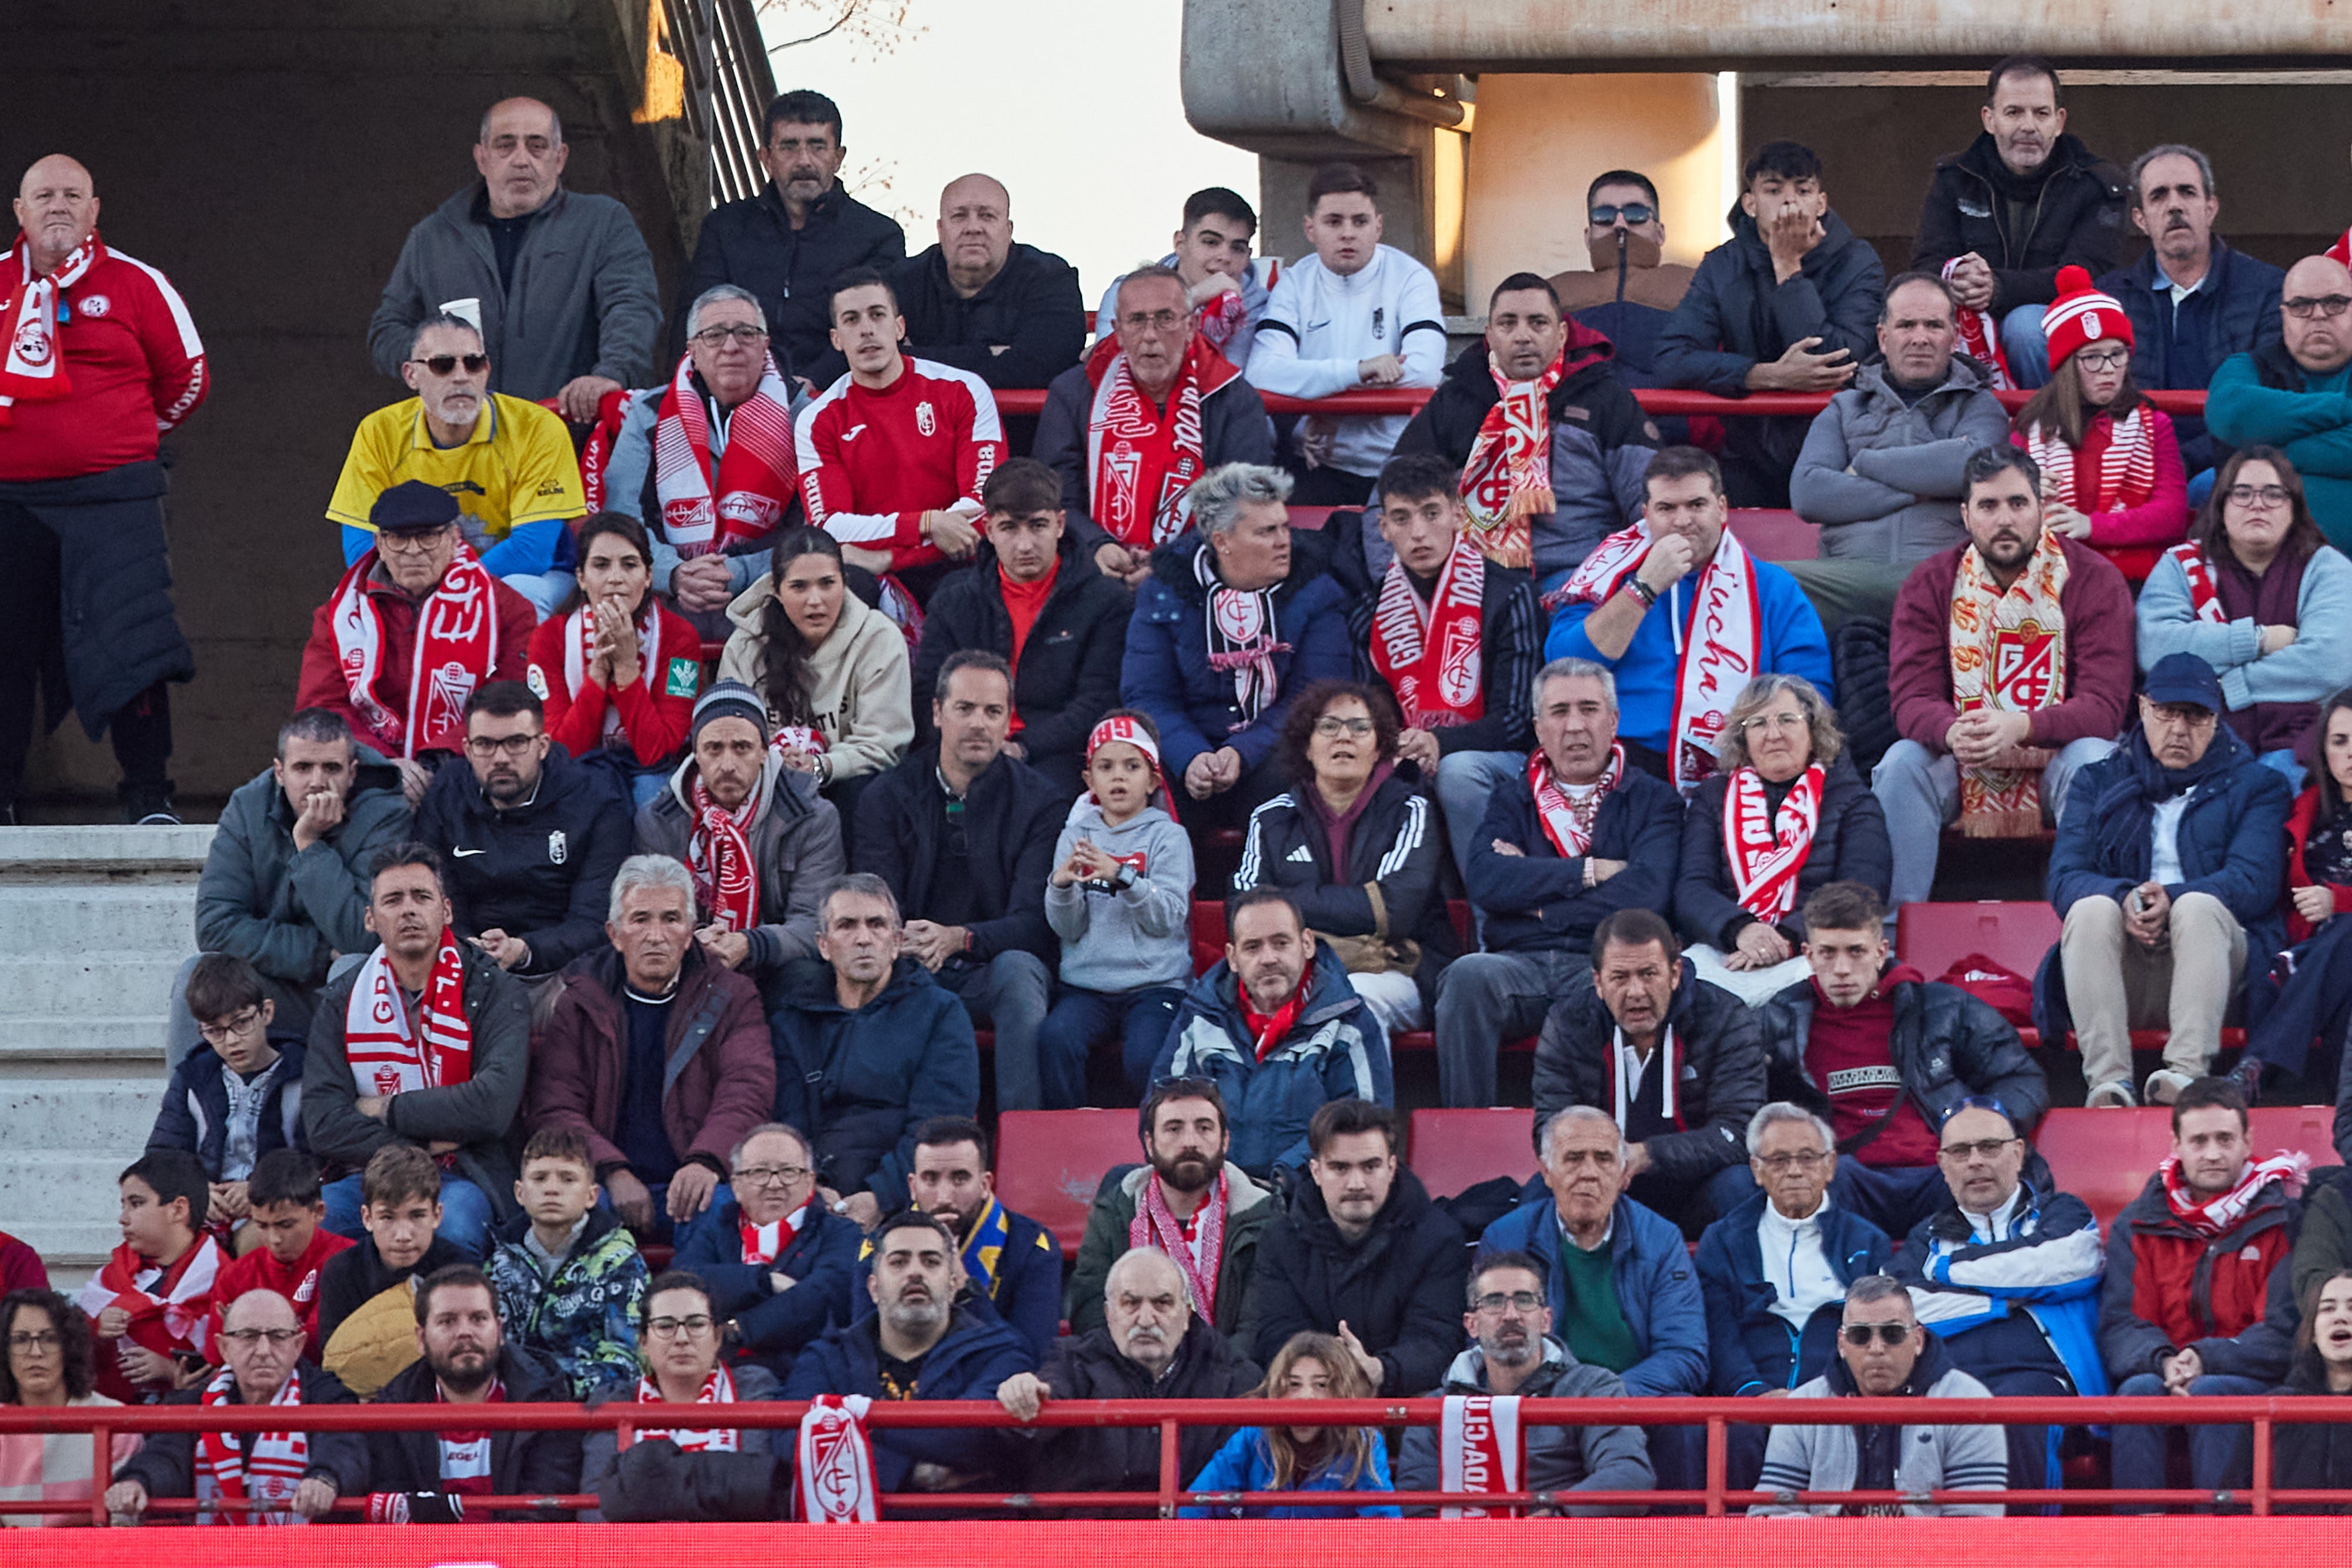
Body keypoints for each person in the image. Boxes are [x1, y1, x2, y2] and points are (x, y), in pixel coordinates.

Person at [0, 153, 204, 825]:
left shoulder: (137, 283)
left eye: (73, 195)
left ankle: (150, 797)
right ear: (20, 212)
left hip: (114, 500)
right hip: (11, 501)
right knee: (7, 650)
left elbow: (188, 378)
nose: (58, 205)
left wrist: (125, 438)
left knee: (135, 647)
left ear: (94, 211)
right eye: (43, 195)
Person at [1875, 444, 2134, 911]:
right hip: (1962, 757)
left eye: (2018, 503)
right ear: (1966, 514)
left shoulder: (2095, 579)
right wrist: (1952, 730)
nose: (2005, 519)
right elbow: (1910, 697)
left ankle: (2094, 917)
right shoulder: (1930, 582)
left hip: (2057, 760)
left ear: (2042, 507)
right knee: (1901, 764)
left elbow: (2104, 704)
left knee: (2096, 758)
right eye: (1988, 506)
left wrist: (2022, 727)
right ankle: (1892, 936)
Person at [2041, 652, 2294, 1106]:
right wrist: (2124, 897)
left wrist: (2170, 898)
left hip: (2217, 970)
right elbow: (2064, 878)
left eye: (2196, 715)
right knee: (2091, 907)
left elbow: (2254, 881)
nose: (2179, 728)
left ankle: (2185, 1074)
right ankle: (2109, 1083)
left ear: (2217, 720)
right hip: (2123, 970)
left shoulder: (2258, 785)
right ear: (2142, 709)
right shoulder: (2096, 782)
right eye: (2166, 712)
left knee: (2198, 906)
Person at [1436, 657, 1683, 1108]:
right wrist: (1589, 872)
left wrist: (1539, 905)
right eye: (1559, 711)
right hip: (1519, 963)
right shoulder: (1514, 796)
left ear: (1613, 721)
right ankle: (1467, 1134)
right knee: (1467, 977)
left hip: (1607, 964)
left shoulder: (1654, 798)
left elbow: (1645, 897)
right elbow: (1487, 881)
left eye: (1589, 709)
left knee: (1634, 984)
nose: (1574, 726)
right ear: (1538, 728)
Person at [1758, 881, 2049, 1238]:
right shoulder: (1780, 1021)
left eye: (1856, 952)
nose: (1842, 968)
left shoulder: (1944, 1008)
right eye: (1828, 953)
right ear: (1809, 955)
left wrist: (1976, 1131)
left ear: (1881, 952)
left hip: (1937, 1172)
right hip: (1842, 1178)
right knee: (1815, 1177)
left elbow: (2020, 1079)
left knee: (1978, 1174)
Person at [1545, 447, 1835, 785]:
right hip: (1622, 767)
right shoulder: (1608, 576)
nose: (1683, 521)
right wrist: (1643, 589)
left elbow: (1810, 697)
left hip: (1739, 771)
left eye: (1697, 505)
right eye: (1667, 508)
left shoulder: (1773, 588)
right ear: (1646, 515)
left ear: (1723, 509)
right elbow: (1562, 667)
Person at [854, 651, 1061, 1112]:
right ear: (936, 713)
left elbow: (1035, 923)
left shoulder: (1041, 803)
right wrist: (911, 942)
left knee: (1020, 973)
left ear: (1010, 719)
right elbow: (875, 904)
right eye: (964, 709)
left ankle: (1019, 1142)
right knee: (871, 964)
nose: (979, 724)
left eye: (993, 712)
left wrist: (960, 939)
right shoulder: (887, 796)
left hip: (988, 966)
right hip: (909, 960)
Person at [529, 855, 776, 1239]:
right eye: (641, 919)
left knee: (726, 1209)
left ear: (691, 931)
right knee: (569, 1208)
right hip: (605, 1185)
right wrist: (611, 1170)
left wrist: (705, 1160)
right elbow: (556, 1103)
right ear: (615, 933)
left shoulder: (732, 994)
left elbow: (747, 1088)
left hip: (700, 1180)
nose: (656, 935)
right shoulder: (579, 997)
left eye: (671, 919)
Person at [302, 843, 529, 1258]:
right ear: (371, 919)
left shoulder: (495, 990)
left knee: (455, 1226)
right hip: (371, 1176)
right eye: (393, 899)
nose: (408, 910)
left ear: (446, 911)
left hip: (465, 1173)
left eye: (421, 897)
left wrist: (384, 1107)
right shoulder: (343, 999)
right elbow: (324, 1120)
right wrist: (419, 1149)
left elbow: (491, 1105)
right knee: (322, 1222)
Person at [367, 97, 659, 413]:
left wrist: (610, 375)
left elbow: (632, 307)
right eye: (506, 146)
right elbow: (387, 331)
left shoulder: (603, 222)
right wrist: (434, 356)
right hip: (462, 443)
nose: (522, 160)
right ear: (482, 158)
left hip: (567, 435)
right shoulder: (432, 237)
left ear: (560, 158)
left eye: (537, 146)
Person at [2100, 1076, 2307, 1506]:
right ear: (2176, 1144)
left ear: (2248, 1141)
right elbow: (2121, 1324)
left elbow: (2285, 1331)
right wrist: (2165, 1361)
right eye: (2199, 1140)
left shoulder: (2285, 1219)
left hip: (2251, 1381)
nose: (2212, 1153)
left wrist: (2206, 1358)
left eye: (2225, 1138)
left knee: (2213, 1392)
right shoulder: (2137, 1223)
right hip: (2164, 1370)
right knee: (2136, 1393)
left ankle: (2219, 1544)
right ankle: (2135, 1541)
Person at [1479, 1108, 1706, 1489]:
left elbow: (1685, 1354)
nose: (1589, 1172)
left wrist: (1601, 1398)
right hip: (1541, 1403)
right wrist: (1560, 1401)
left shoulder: (1662, 1238)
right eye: (1573, 1158)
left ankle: (1676, 1549)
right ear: (1546, 1172)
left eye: (1603, 1159)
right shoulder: (1506, 1236)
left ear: (1623, 1173)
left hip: (1631, 1400)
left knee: (1685, 1424)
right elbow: (1489, 1341)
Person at [1120, 462, 1353, 830]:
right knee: (1136, 777)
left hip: (1275, 753)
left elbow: (1317, 697)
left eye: (1285, 527)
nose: (1284, 541)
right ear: (1222, 541)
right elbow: (1148, 696)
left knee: (1298, 774)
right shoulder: (1165, 591)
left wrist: (1243, 752)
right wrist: (1191, 756)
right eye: (1266, 531)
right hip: (1189, 752)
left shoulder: (1317, 591)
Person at [1892, 1099, 2107, 1494]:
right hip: (1948, 1380)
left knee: (2015, 1415)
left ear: (2018, 1152)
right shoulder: (1926, 1234)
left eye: (1989, 1146)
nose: (1975, 1161)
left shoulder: (2062, 1212)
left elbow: (2064, 1263)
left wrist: (1945, 1270)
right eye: (1960, 1151)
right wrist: (1999, 1303)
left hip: (2045, 1383)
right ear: (1942, 1163)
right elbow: (1903, 1309)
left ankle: (2025, 1552)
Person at [1351, 453, 1547, 883]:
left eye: (1431, 513)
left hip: (1502, 759)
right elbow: (1370, 708)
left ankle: (1491, 924)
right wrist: (1403, 746)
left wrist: (1438, 743)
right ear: (1384, 529)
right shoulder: (1372, 609)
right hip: (1411, 753)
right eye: (1401, 518)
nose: (1418, 532)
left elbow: (1517, 721)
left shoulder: (1510, 593)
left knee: (1457, 773)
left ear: (1459, 515)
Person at [1387, 273, 1655, 587]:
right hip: (1470, 578)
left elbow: (1651, 502)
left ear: (1562, 333)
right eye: (1508, 323)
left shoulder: (1605, 398)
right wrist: (1396, 584)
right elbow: (1394, 491)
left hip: (1580, 575)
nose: (1522, 336)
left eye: (1538, 323)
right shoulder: (1456, 400)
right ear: (1489, 334)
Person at [1656, 142, 1883, 506]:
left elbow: (1835, 362)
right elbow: (1671, 360)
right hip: (1746, 455)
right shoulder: (1721, 265)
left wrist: (1788, 268)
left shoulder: (1859, 262)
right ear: (1750, 204)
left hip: (1839, 453)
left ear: (1821, 203)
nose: (1790, 203)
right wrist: (1766, 376)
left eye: (1803, 190)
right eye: (1774, 190)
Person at [1232, 681, 1456, 1048]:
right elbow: (1242, 910)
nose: (1344, 738)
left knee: (1351, 999)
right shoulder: (1270, 818)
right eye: (1329, 726)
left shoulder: (1410, 810)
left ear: (1380, 746)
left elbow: (1394, 910)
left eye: (1359, 727)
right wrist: (1348, 924)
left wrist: (1287, 903)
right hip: (1294, 971)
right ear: (1307, 744)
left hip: (1396, 973)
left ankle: (1360, 1109)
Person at [296, 480, 540, 808]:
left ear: (455, 539)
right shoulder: (338, 616)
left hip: (469, 767)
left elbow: (513, 697)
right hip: (367, 773)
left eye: (428, 537)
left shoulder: (507, 609)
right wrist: (384, 764)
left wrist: (435, 759)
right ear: (379, 543)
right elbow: (322, 706)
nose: (413, 551)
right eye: (398, 538)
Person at [326, 315, 589, 615]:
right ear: (412, 375)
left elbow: (532, 551)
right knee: (352, 601)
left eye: (473, 363)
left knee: (522, 593)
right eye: (443, 365)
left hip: (533, 577)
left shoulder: (538, 428)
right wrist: (423, 589)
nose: (461, 376)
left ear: (486, 371)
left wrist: (446, 591)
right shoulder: (378, 431)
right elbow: (362, 549)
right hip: (417, 583)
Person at [185, 709, 410, 1058]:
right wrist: (316, 952)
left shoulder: (384, 814)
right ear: (280, 772)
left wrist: (309, 846)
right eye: (303, 768)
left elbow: (363, 936)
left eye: (331, 769)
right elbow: (216, 924)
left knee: (351, 965)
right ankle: (188, 1109)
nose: (317, 782)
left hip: (347, 990)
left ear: (352, 773)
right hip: (270, 982)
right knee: (195, 975)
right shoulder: (247, 808)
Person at [1695, 1104, 1892, 1492]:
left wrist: (1831, 1393)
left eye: (1807, 1157)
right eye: (1779, 1159)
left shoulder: (1867, 1240)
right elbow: (1719, 1333)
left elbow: (1874, 1334)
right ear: (1756, 1169)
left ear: (1830, 1165)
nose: (1795, 1171)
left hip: (1840, 1395)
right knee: (1733, 1438)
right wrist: (1755, 1394)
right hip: (1752, 1398)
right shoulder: (1722, 1239)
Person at [1534, 908, 1769, 1232]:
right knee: (1539, 1195)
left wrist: (1646, 1155)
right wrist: (1601, 1161)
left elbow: (1740, 1132)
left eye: (1649, 974)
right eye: (1620, 977)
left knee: (1742, 1187)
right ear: (1598, 982)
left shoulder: (1726, 1018)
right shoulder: (1568, 1024)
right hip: (1604, 1184)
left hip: (1697, 1186)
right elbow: (1549, 1128)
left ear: (1674, 974)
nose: (1636, 992)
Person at [909, 459, 1135, 794]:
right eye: (1010, 528)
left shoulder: (1105, 601)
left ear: (1060, 524)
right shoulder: (954, 599)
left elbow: (1097, 702)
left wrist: (1023, 747)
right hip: (962, 746)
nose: (1025, 544)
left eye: (1038, 526)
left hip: (1055, 754)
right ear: (988, 530)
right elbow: (929, 692)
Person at [1038, 266, 1275, 585]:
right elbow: (1054, 496)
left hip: (1202, 574)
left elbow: (1244, 504)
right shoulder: (1073, 392)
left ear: (1191, 326)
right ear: (1117, 331)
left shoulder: (1233, 397)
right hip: (1091, 571)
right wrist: (1097, 545)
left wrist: (1174, 561)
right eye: (1137, 321)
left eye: (1165, 319)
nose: (1150, 335)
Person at [768, 874, 979, 1223]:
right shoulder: (792, 1021)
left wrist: (881, 1197)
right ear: (823, 945)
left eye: (876, 925)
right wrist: (809, 1191)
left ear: (896, 942)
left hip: (905, 1204)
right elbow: (788, 1124)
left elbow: (938, 1125)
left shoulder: (941, 1013)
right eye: (847, 926)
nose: (863, 938)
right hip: (808, 1203)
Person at [586, 289, 798, 635]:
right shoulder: (649, 413)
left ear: (765, 346)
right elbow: (622, 516)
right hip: (667, 590)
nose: (731, 347)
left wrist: (738, 572)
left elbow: (812, 526)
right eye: (714, 336)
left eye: (746, 333)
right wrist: (673, 573)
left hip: (772, 590)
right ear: (692, 352)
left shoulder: (803, 413)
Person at [791, 270, 1008, 605]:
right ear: (837, 339)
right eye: (852, 320)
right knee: (844, 590)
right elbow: (831, 526)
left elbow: (981, 508)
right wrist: (926, 522)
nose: (867, 329)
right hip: (868, 570)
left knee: (962, 597)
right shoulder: (817, 419)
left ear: (899, 327)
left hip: (952, 561)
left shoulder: (964, 390)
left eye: (877, 315)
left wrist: (893, 558)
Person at [1910, 56, 2129, 390]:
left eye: (2041, 113)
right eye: (2014, 112)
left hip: (2063, 339)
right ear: (1990, 119)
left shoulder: (2097, 184)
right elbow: (1927, 264)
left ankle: (2050, 434)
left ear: (2059, 122)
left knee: (2024, 326)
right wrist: (1958, 278)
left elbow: (2090, 272)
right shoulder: (1954, 179)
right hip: (1967, 328)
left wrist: (1998, 288)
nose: (2029, 126)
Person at [2137, 447, 2352, 785]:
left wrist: (2229, 685)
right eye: (2242, 493)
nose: (2257, 504)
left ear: (2294, 508)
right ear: (2221, 506)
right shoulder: (2181, 564)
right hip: (2197, 740)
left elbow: (2330, 664)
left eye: (2273, 494)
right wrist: (2258, 641)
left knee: (2280, 785)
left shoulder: (2328, 567)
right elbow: (2157, 649)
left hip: (2300, 746)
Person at [1674, 674, 1890, 1004]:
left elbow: (1861, 890)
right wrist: (1740, 929)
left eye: (1787, 720)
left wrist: (1786, 939)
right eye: (1758, 723)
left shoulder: (1852, 800)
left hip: (1815, 949)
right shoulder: (1711, 797)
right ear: (1743, 738)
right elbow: (1691, 888)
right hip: (1729, 948)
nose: (1773, 735)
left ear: (1813, 730)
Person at [781, 1210, 1031, 1495]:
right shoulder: (826, 1357)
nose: (915, 1272)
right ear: (874, 1288)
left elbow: (977, 1438)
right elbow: (791, 1441)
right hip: (854, 1535)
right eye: (899, 1262)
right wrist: (905, 1473)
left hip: (965, 1531)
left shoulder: (1001, 1353)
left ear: (953, 1287)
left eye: (931, 1261)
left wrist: (855, 1429)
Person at [415, 681, 633, 1008]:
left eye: (516, 742)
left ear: (543, 745)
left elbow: (595, 922)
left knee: (587, 996)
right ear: (468, 748)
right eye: (486, 744)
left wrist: (525, 950)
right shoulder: (446, 794)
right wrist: (462, 944)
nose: (500, 758)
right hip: (459, 961)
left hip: (558, 971)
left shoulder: (596, 803)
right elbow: (432, 888)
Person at [996, 1247, 1259, 1510]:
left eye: (1162, 1303)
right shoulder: (1072, 1363)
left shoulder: (1233, 1377)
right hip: (1088, 1542)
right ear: (1109, 1315)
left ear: (1187, 1316)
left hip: (1196, 1541)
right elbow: (1043, 1401)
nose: (1145, 1320)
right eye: (1131, 1303)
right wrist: (1024, 1393)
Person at [1395, 1249, 1656, 1516]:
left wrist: (1556, 1517)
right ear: (1471, 1324)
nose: (1511, 1315)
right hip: (1461, 1552)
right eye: (1494, 1302)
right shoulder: (1437, 1407)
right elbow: (1416, 1503)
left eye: (1524, 1300)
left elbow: (1630, 1475)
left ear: (1546, 1320)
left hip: (1561, 1549)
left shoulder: (1592, 1387)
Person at [1245, 162, 1447, 505]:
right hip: (1316, 464)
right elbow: (1262, 372)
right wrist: (1359, 369)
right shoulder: (1295, 282)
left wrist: (1319, 395)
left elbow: (1425, 369)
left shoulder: (1411, 277)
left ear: (1379, 226)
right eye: (1334, 222)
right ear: (1310, 229)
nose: (1348, 233)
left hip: (1398, 467)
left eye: (1360, 221)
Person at [1153, 890, 1391, 1178]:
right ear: (1233, 958)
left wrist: (1286, 1178)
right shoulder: (1200, 1019)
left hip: (1309, 1201)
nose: (1268, 958)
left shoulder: (1349, 1022)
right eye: (1253, 947)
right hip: (1214, 1194)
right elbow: (1162, 1117)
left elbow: (1363, 1126)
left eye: (1281, 943)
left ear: (1306, 944)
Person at [673, 88, 907, 380]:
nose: (804, 161)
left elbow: (878, 331)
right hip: (738, 388)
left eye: (818, 146)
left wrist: (814, 383)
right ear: (767, 158)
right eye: (789, 147)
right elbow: (695, 318)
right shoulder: (725, 228)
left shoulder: (877, 236)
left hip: (840, 394)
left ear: (838, 157)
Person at [1241, 1100, 1466, 1396]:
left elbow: (1438, 1342)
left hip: (1403, 1404)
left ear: (1391, 1168)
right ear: (1316, 1171)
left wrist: (1378, 1370)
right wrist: (1332, 1366)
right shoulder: (1280, 1240)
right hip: (1312, 1400)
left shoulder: (1439, 1238)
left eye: (1370, 1166)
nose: (1356, 1183)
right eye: (1340, 1168)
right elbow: (1276, 1335)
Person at [1789, 271, 2012, 564]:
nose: (1920, 338)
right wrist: (1924, 488)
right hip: (1846, 577)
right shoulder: (1844, 407)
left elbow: (1971, 467)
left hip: (1943, 579)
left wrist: (1864, 463)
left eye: (1933, 326)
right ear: (1883, 338)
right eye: (1906, 325)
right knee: (1774, 585)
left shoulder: (1980, 406)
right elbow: (1809, 493)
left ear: (1954, 338)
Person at [632, 680, 847, 984]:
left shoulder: (811, 816)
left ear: (764, 751)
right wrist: (694, 944)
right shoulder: (659, 820)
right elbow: (647, 917)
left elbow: (815, 924)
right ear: (695, 755)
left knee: (808, 977)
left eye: (742, 748)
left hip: (774, 962)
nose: (728, 764)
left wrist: (750, 944)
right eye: (714, 749)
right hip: (684, 961)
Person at [2098, 145, 2284, 483]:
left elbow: (2265, 406)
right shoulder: (2108, 298)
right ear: (2140, 220)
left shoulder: (2268, 290)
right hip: (2133, 466)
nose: (2174, 206)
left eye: (2187, 192)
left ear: (2210, 208)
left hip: (2235, 465)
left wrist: (2180, 462)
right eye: (2159, 196)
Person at [1748, 1274, 2007, 1516]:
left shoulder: (1968, 1402)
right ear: (1841, 1343)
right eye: (1860, 1335)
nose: (1876, 1348)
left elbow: (1976, 1526)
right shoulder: (1804, 1406)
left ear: (1918, 1339)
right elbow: (1767, 1516)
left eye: (1892, 1334)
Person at [102, 1289, 365, 1526]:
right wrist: (137, 1481)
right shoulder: (196, 1401)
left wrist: (325, 1479)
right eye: (248, 1337)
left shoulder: (328, 1395)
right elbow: (167, 1454)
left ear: (298, 1346)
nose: (263, 1350)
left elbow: (343, 1447)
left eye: (278, 1337)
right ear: (224, 1348)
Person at [1037, 712, 1195, 1105]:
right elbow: (1068, 929)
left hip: (1155, 984)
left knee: (1146, 1055)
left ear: (1153, 779)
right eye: (1105, 767)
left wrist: (1122, 876)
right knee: (1055, 1038)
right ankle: (1065, 1137)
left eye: (1132, 766)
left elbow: (1170, 917)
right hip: (1086, 985)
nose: (1119, 777)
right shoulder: (1075, 836)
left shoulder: (1169, 837)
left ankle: (1151, 1139)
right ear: (1090, 781)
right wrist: (1060, 887)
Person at [716, 528, 913, 825]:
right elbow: (728, 729)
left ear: (844, 584)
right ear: (776, 590)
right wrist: (774, 761)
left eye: (827, 584)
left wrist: (820, 766)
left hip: (848, 782)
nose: (815, 600)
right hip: (763, 779)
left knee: (869, 792)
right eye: (799, 587)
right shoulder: (745, 645)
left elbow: (882, 744)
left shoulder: (880, 638)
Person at [365, 1263, 582, 1521]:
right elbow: (393, 1504)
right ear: (421, 1340)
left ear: (500, 1331)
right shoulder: (394, 1410)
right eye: (447, 1322)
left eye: (478, 1319)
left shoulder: (546, 1400)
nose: (465, 1332)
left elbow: (544, 1508)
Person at [1065, 1080, 1275, 1345]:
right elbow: (1091, 1311)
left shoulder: (1262, 1217)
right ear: (1150, 1144)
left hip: (1228, 1379)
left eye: (1204, 1128)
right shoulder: (1115, 1210)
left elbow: (1256, 1329)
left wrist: (1212, 1381)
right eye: (1174, 1129)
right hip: (1127, 1378)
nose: (1190, 1142)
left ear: (1225, 1142)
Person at [2011, 266, 2193, 558]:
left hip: (2137, 575)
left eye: (2117, 354)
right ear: (2067, 366)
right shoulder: (2031, 430)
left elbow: (2171, 516)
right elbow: (2006, 523)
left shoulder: (2154, 425)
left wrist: (2092, 527)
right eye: (2093, 357)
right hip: (2054, 575)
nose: (2108, 369)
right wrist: (2024, 497)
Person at [523, 512, 701, 803]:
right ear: (581, 577)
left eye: (630, 565)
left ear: (648, 577)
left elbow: (659, 751)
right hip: (580, 771)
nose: (615, 578)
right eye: (601, 565)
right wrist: (598, 674)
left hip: (653, 774)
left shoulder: (680, 636)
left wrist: (627, 670)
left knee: (650, 798)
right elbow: (561, 752)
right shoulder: (548, 638)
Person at [580, 1270, 784, 1523]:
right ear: (643, 1341)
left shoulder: (754, 1389)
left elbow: (760, 1491)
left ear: (718, 1337)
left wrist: (646, 1482)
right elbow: (594, 1512)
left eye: (696, 1324)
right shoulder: (613, 1400)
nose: (681, 1339)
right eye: (665, 1326)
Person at [853, 173, 1085, 392]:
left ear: (1009, 230)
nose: (973, 228)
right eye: (959, 216)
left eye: (987, 215)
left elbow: (1043, 367)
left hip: (1023, 431)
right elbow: (866, 358)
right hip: (923, 429)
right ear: (941, 230)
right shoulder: (898, 282)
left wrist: (910, 356)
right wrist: (991, 354)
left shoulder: (1050, 278)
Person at [670, 1123, 860, 1376]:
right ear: (736, 1186)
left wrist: (737, 1330)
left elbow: (824, 1301)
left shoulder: (840, 1233)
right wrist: (763, 1281)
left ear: (809, 1182)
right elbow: (680, 1284)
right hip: (713, 1374)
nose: (774, 1184)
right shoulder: (718, 1228)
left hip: (804, 1373)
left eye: (788, 1172)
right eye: (759, 1172)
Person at [2237, 690, 2352, 1102]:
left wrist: (2337, 900)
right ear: (2323, 748)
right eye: (2340, 741)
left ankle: (2259, 1062)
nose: (2351, 753)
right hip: (2313, 951)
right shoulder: (2304, 807)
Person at [485, 1126, 648, 1399]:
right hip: (511, 1410)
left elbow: (628, 1362)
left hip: (590, 1413)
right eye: (539, 1178)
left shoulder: (620, 1263)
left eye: (567, 1179)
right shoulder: (499, 1263)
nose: (551, 1189)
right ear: (520, 1193)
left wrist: (549, 1386)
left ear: (592, 1195)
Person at [884, 1117, 1059, 1366]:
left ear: (985, 1184)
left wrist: (966, 1287)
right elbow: (867, 1349)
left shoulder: (1032, 1247)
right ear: (913, 1186)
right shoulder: (880, 1249)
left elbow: (1033, 1356)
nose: (944, 1197)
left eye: (959, 1179)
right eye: (930, 1179)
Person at [2209, 255, 2352, 550]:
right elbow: (2228, 414)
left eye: (2335, 303)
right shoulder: (2248, 367)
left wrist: (2270, 452)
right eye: (2301, 306)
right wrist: (2343, 410)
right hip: (2259, 571)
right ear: (2283, 314)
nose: (2319, 315)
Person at [1178, 1332, 1399, 1518]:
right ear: (1277, 1388)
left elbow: (1386, 1528)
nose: (1305, 1396)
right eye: (1293, 1384)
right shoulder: (1252, 1439)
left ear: (1341, 1390)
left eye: (1321, 1385)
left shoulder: (1361, 1442)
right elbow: (1193, 1510)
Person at [148, 955, 308, 1212]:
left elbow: (317, 1159)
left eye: (241, 1022)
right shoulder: (193, 1077)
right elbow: (163, 1156)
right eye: (215, 1030)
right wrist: (195, 1191)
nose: (232, 1040)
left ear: (266, 1013)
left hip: (276, 1206)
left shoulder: (303, 1074)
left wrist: (265, 1188)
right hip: (209, 1207)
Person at [313, 1145, 464, 1393]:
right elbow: (334, 1364)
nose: (403, 1236)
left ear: (437, 1216)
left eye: (417, 1216)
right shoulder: (341, 1272)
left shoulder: (460, 1271)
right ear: (367, 1218)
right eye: (388, 1218)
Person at [82, 1150, 225, 1403]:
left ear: (178, 1209)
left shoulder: (226, 1279)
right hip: (112, 1422)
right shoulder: (109, 1279)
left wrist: (170, 1370)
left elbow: (239, 1361)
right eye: (123, 1205)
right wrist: (94, 1327)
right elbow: (67, 1349)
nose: (123, 1219)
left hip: (190, 1427)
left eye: (136, 1204)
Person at [0, 1289, 141, 1527]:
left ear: (69, 1348)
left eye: (49, 1339)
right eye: (21, 1339)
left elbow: (124, 1524)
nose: (36, 1353)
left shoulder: (115, 1419)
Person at [1095, 187, 1276, 369]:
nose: (1225, 257)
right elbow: (1108, 369)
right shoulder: (1125, 293)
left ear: (1248, 255)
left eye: (1237, 248)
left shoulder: (1261, 308)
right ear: (1180, 244)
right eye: (1211, 242)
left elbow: (1229, 379)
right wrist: (1189, 300)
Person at [203, 1152, 353, 1361]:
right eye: (262, 1226)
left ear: (318, 1212)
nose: (275, 1239)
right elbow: (216, 1356)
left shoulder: (349, 1261)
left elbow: (322, 1344)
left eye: (286, 1225)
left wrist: (246, 1331)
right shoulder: (235, 1276)